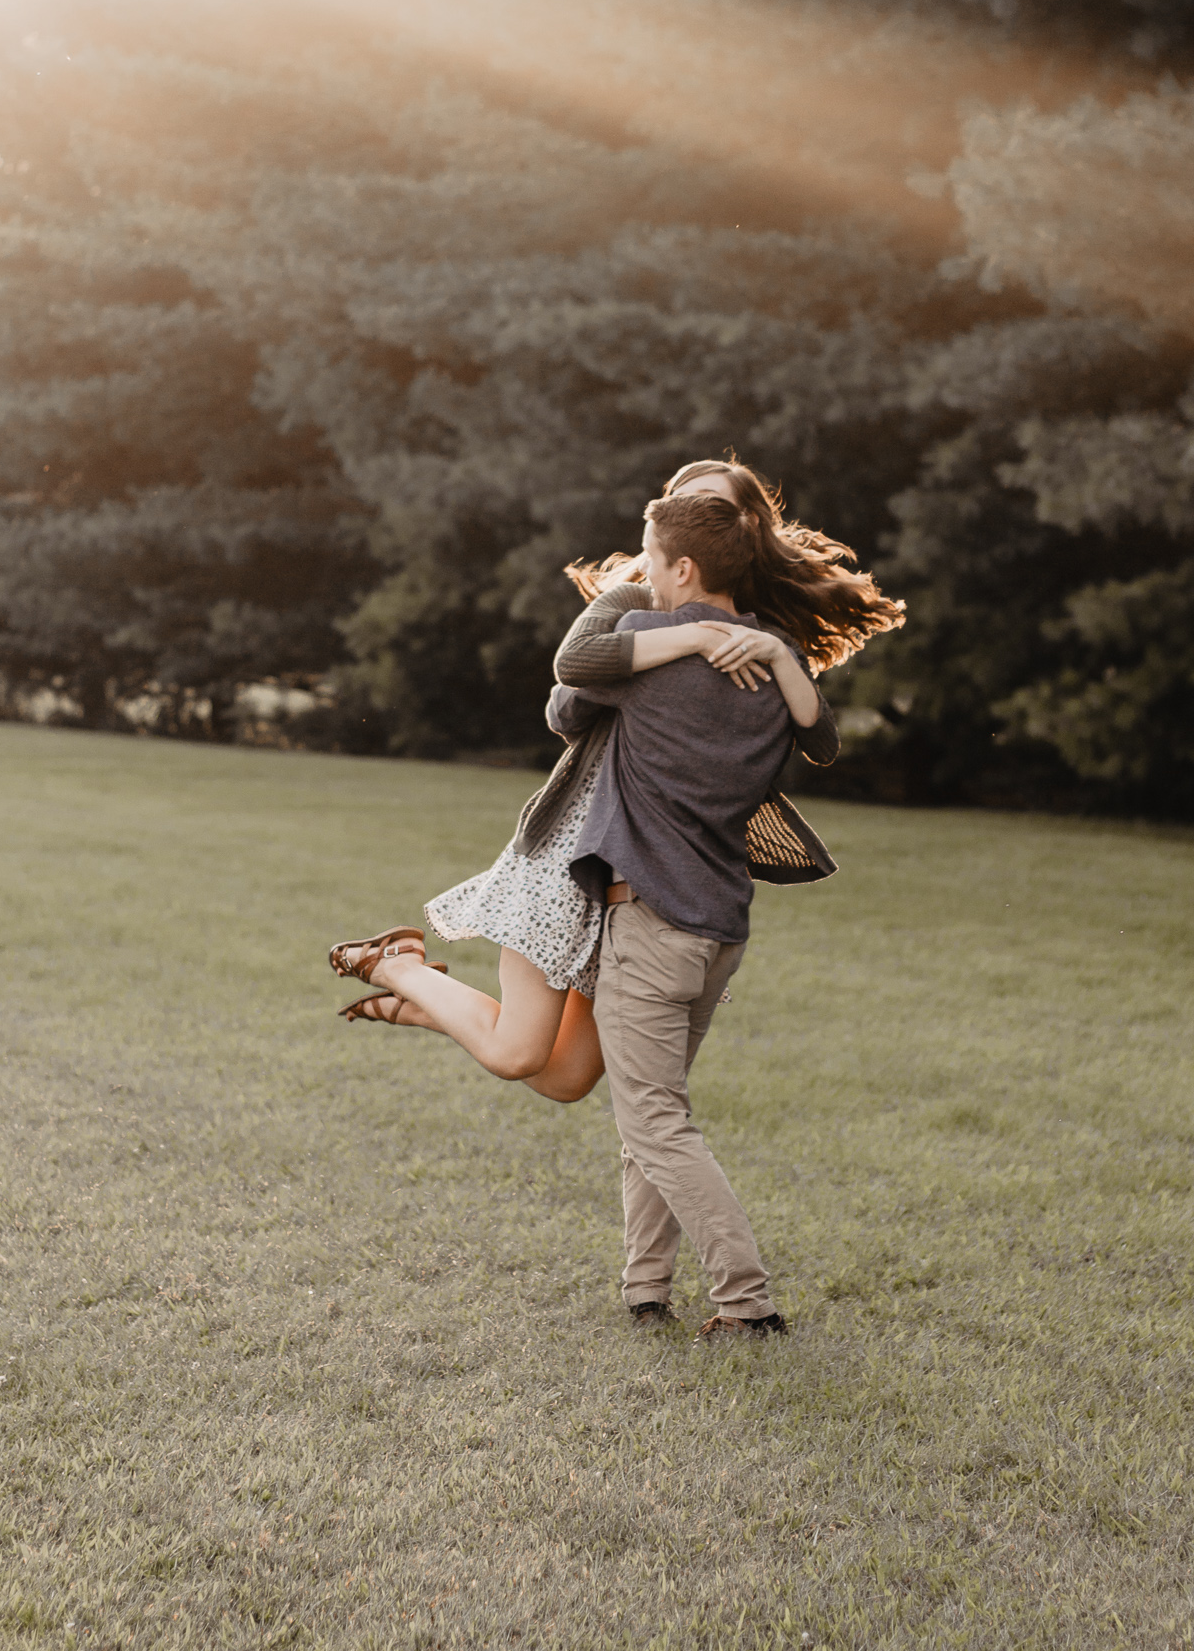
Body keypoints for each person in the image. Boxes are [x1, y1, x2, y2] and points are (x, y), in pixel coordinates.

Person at [330, 460, 903, 1108]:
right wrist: (684, 639)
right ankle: (396, 964)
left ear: (745, 533)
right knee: (517, 1053)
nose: (695, 527)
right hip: (572, 853)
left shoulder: (761, 640)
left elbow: (818, 739)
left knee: (566, 1079)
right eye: (683, 508)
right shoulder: (630, 603)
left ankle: (422, 1004)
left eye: (715, 513)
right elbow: (565, 698)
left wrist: (760, 652)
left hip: (654, 880)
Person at [545, 489, 845, 1339]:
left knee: (655, 1122)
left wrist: (657, 631)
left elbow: (567, 693)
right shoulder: (773, 655)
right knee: (657, 1109)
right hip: (717, 928)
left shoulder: (641, 642)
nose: (639, 574)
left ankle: (746, 1303)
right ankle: (645, 1287)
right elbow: (822, 740)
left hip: (648, 925)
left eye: (647, 559)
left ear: (682, 567)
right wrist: (746, 647)